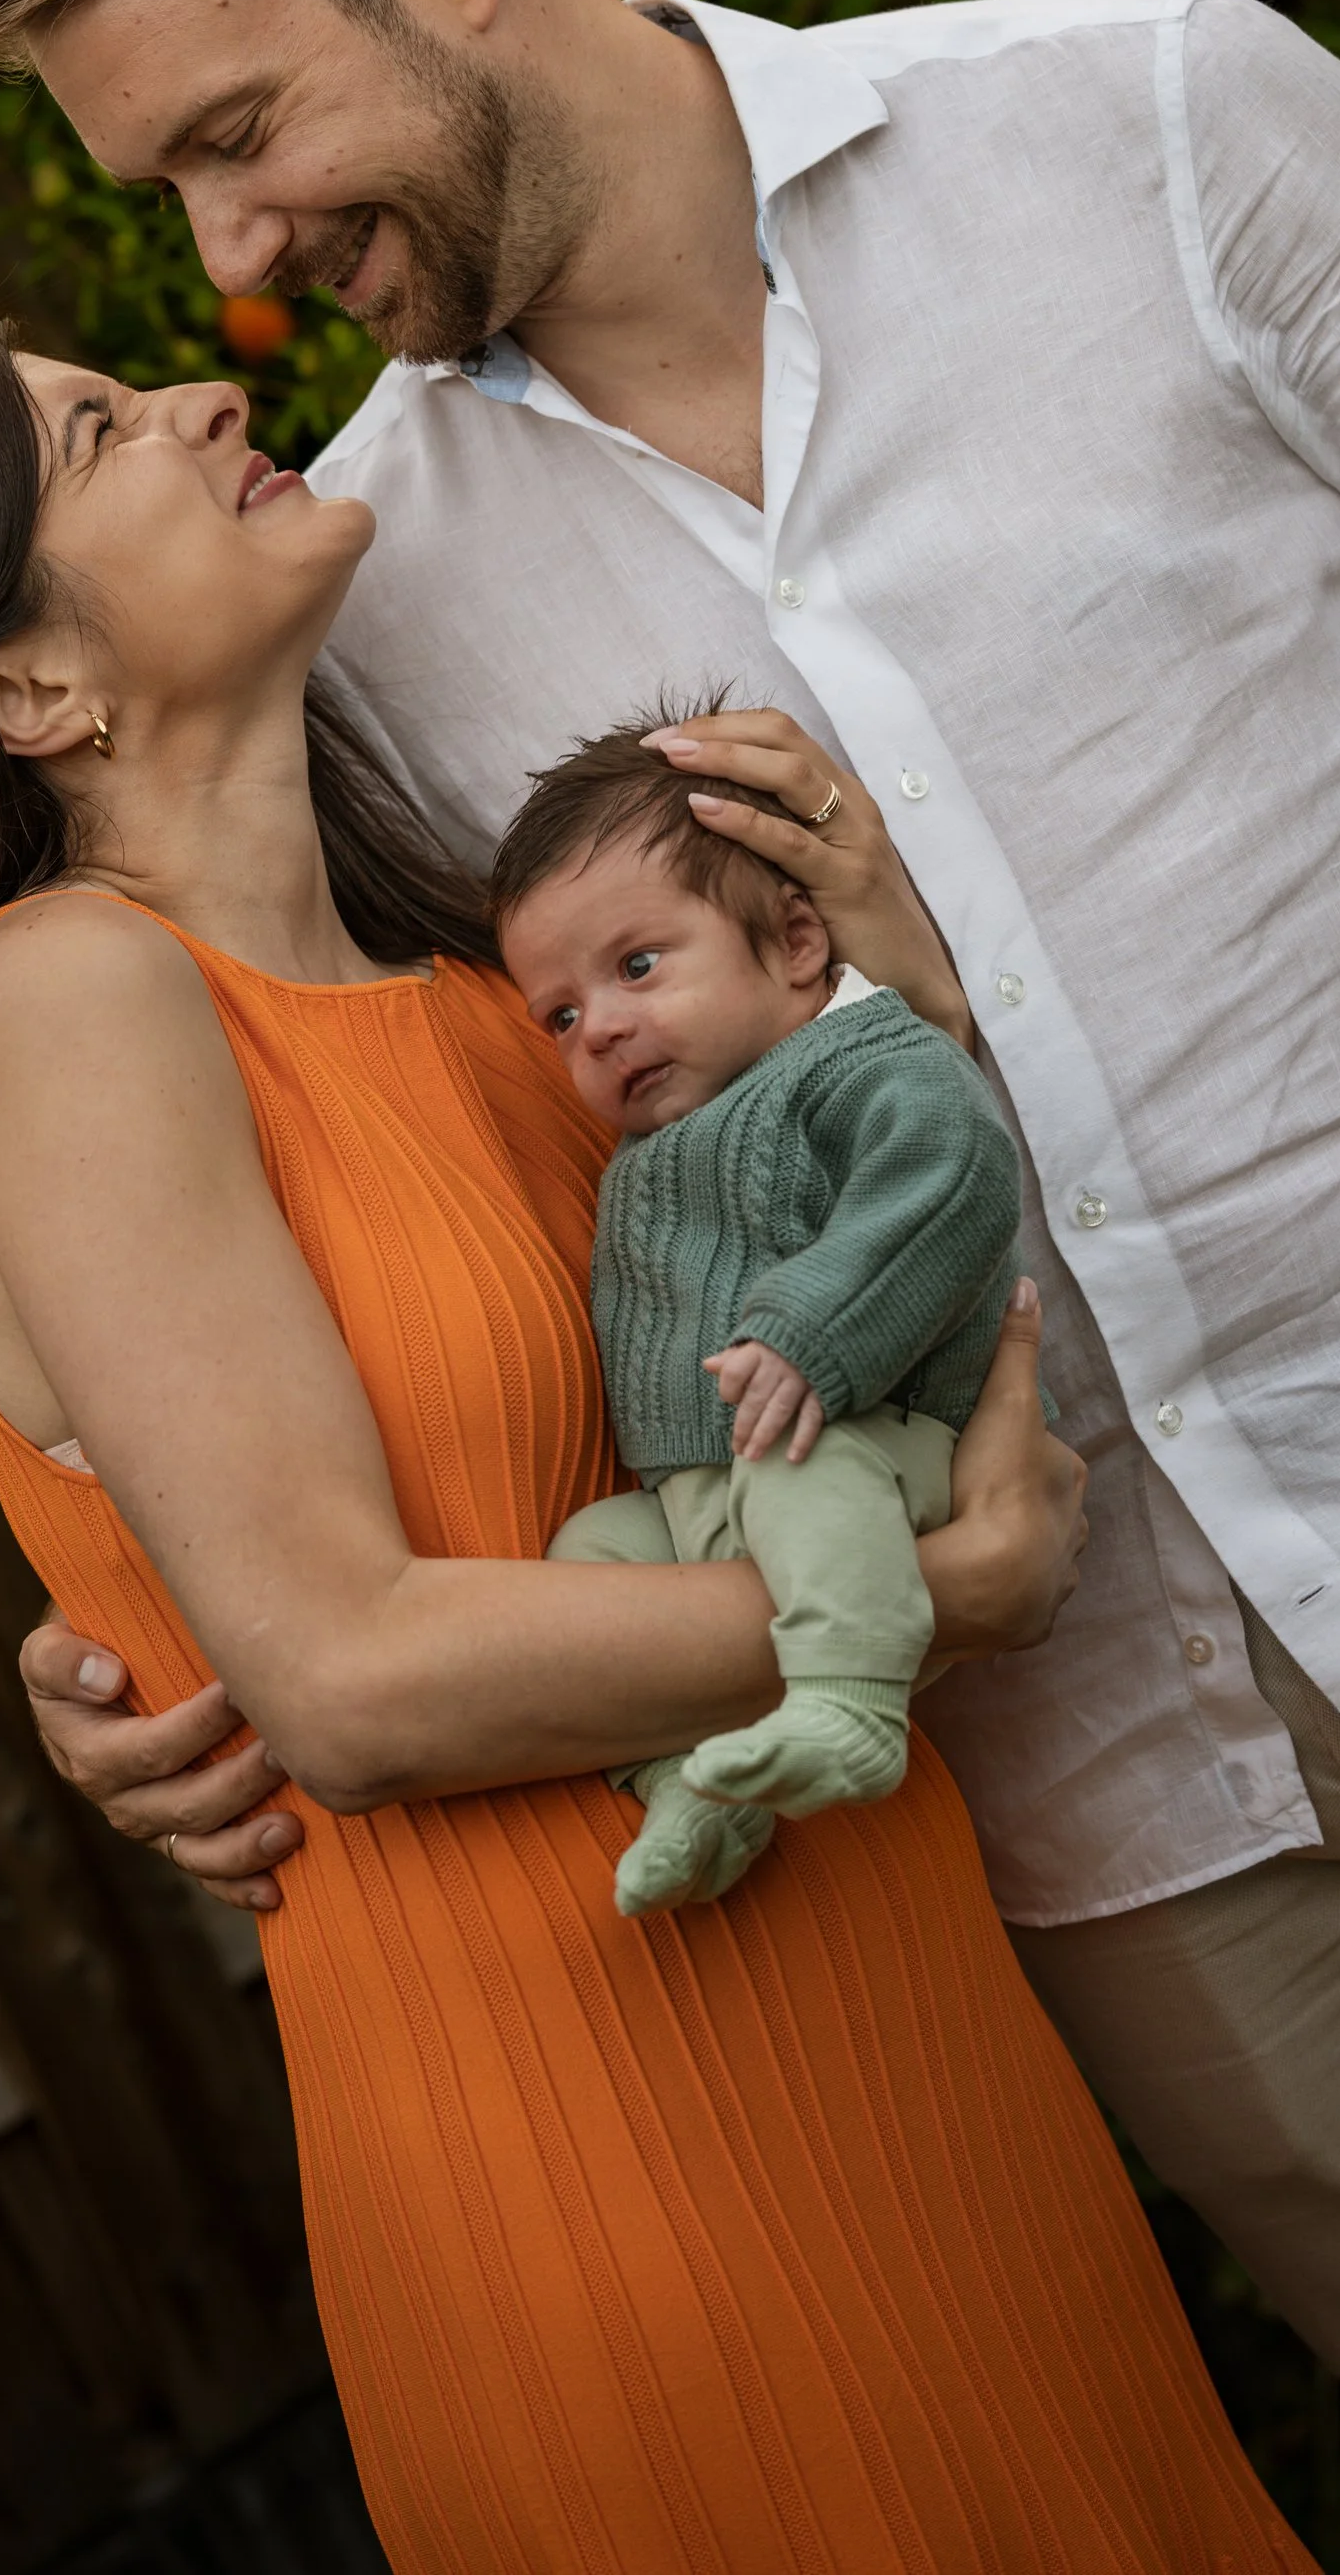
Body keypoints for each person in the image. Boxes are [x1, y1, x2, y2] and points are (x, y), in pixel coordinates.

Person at [0, 0, 1340, 2575]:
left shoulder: (1157, 119)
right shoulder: (362, 609)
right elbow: (405, 1206)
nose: (227, 261)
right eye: (168, 184)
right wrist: (143, 1642)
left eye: (237, 130)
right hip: (1121, 1818)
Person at [0, 324, 1317, 2575]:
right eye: (97, 431)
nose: (200, 401)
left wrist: (908, 1015)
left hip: (904, 2028)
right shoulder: (69, 998)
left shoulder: (510, 1015)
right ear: (30, 692)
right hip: (604, 2137)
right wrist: (929, 1602)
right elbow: (351, 1682)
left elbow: (826, 1394)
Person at [493, 712, 1026, 1916]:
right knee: (588, 1564)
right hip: (714, 1491)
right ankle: (691, 1783)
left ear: (792, 943)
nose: (599, 1027)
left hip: (868, 1442)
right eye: (560, 1016)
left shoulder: (863, 1062)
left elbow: (950, 1179)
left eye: (636, 967)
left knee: (796, 1471)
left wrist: (808, 1334)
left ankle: (849, 1702)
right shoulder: (664, 1140)